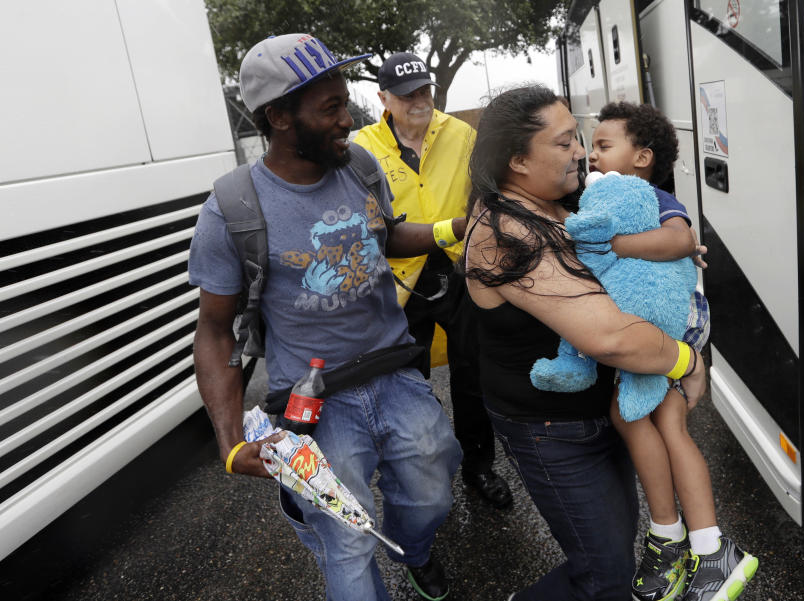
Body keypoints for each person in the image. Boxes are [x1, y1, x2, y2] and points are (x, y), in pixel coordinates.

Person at [188, 34, 462, 601]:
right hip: (312, 399)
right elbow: (214, 330)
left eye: (346, 102)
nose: (349, 119)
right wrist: (231, 443)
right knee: (349, 542)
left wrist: (452, 230)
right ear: (280, 117)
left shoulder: (358, 166)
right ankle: (313, 514)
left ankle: (415, 552)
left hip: (395, 375)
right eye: (331, 108)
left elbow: (385, 237)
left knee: (432, 494)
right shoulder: (234, 208)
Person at [462, 85, 706, 601]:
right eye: (565, 141)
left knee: (616, 550)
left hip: (601, 410)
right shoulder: (503, 229)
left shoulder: (562, 202)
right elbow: (610, 338)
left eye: (580, 138)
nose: (581, 152)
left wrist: (673, 251)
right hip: (552, 429)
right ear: (518, 161)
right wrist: (685, 359)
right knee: (607, 574)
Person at [588, 101, 757, 601]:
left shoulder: (653, 198)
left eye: (602, 146)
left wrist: (611, 245)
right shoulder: (604, 201)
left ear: (641, 157)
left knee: (664, 424)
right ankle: (676, 536)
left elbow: (681, 238)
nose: (591, 155)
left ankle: (702, 543)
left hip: (667, 331)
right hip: (646, 332)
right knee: (633, 418)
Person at [353, 53, 512, 509]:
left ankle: (479, 465)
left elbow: (485, 188)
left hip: (461, 269)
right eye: (406, 96)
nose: (418, 101)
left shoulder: (460, 133)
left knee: (471, 373)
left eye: (424, 90)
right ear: (383, 98)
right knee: (410, 382)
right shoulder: (361, 146)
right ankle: (425, 476)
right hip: (401, 280)